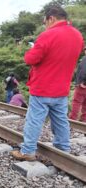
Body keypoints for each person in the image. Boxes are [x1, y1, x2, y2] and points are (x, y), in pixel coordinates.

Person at [11, 6, 84, 161]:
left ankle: (28, 151)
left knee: (34, 120)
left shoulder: (48, 35)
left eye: (45, 22)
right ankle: (63, 151)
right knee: (61, 121)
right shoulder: (78, 36)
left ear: (51, 18)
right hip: (62, 89)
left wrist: (28, 51)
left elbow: (31, 59)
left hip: (43, 87)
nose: (45, 25)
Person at [69, 47, 86, 122]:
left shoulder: (85, 59)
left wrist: (83, 83)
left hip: (82, 86)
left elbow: (83, 71)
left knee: (76, 102)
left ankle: (72, 120)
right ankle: (84, 120)